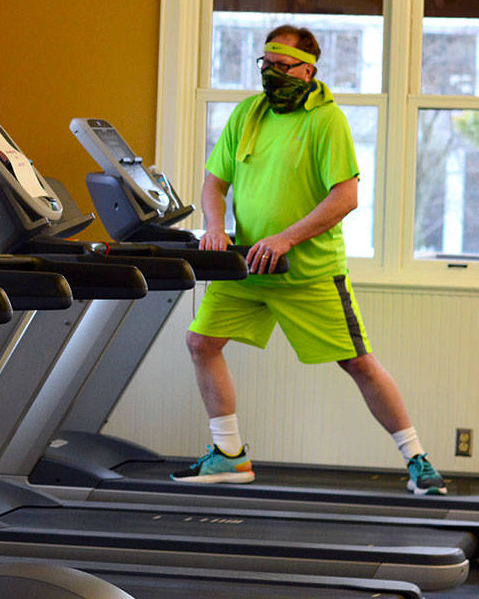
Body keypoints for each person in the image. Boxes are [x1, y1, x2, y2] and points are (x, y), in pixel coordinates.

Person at [176, 24, 446, 495]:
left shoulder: (327, 120)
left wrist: (285, 239)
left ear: (307, 69)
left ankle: (418, 461)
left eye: (282, 66)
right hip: (246, 268)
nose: (272, 74)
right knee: (201, 343)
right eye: (266, 65)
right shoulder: (248, 114)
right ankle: (229, 455)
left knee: (358, 363)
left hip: (308, 273)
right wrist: (216, 227)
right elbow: (214, 183)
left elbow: (345, 197)